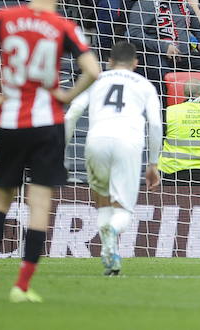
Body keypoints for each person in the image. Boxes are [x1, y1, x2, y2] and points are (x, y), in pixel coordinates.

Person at [0, 0, 101, 303]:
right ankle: (22, 287)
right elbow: (93, 71)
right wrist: (66, 95)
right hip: (47, 122)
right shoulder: (63, 25)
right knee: (39, 205)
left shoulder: (5, 18)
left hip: (9, 121)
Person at [65, 40, 162, 277]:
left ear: (109, 62)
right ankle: (112, 236)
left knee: (103, 202)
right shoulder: (144, 85)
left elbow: (72, 114)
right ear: (135, 63)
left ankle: (109, 252)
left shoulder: (95, 80)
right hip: (128, 143)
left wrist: (60, 150)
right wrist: (153, 163)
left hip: (96, 141)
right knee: (123, 211)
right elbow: (156, 125)